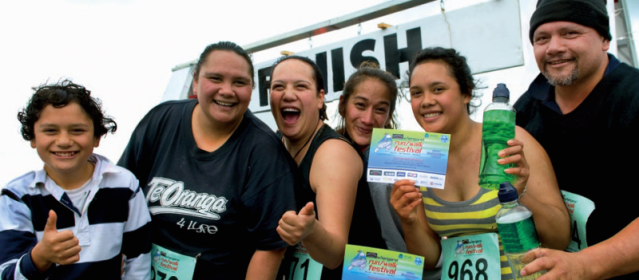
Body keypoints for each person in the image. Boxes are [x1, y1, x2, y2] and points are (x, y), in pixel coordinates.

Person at [117, 41, 297, 279]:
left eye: (239, 82)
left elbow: (270, 247)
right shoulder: (160, 120)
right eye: (215, 78)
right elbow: (119, 196)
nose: (227, 90)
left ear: (251, 88)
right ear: (195, 80)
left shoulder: (264, 151)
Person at [390, 47, 571, 279]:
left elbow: (559, 238)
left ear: (466, 93)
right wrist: (409, 221)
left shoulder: (508, 141)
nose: (426, 101)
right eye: (416, 93)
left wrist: (520, 195)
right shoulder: (419, 159)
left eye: (438, 89)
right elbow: (431, 258)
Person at [515, 0, 639, 278]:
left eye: (570, 33)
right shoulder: (522, 112)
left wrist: (584, 264)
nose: (554, 47)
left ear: (605, 39)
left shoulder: (633, 98)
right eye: (541, 38)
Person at [0, 80, 151, 279]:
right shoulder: (17, 196)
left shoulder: (124, 186)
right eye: (50, 130)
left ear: (97, 137)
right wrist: (40, 257)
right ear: (33, 138)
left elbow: (138, 261)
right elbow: (7, 274)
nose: (64, 141)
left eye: (77, 130)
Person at [271, 55, 385, 280]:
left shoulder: (333, 153)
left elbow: (335, 255)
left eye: (301, 86)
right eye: (278, 86)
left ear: (319, 98)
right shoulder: (273, 143)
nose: (288, 94)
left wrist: (311, 231)